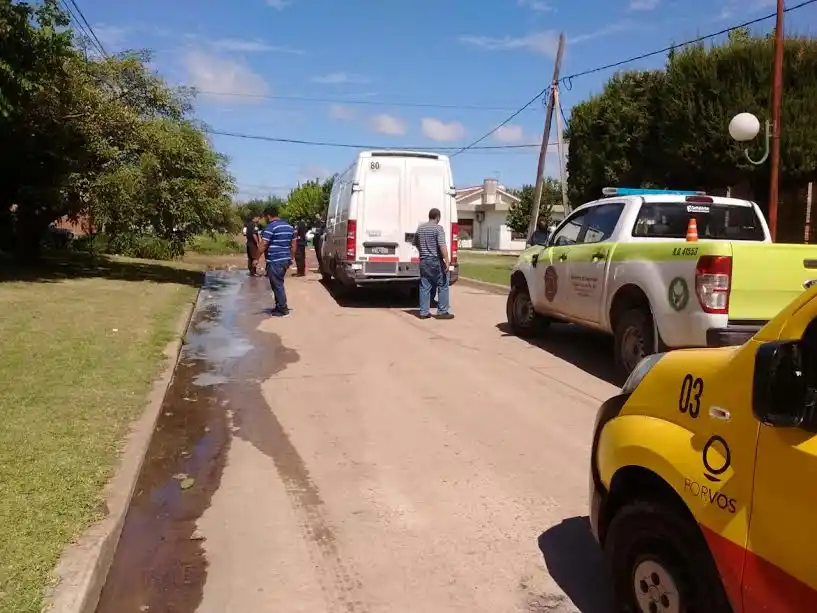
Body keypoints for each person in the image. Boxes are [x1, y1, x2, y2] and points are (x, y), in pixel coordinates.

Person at [413, 208, 454, 320]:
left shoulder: (420, 228)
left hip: (423, 260)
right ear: (438, 217)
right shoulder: (438, 229)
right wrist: (446, 258)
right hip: (435, 260)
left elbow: (415, 242)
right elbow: (442, 245)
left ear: (429, 216)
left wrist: (422, 250)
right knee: (443, 284)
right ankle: (442, 311)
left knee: (425, 285)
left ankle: (424, 312)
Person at [257, 205, 297, 316]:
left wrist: (256, 259)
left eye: (265, 217)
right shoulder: (290, 227)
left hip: (275, 260)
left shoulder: (270, 227)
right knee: (277, 283)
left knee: (277, 284)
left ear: (268, 216)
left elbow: (263, 244)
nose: (265, 219)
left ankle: (283, 309)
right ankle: (278, 306)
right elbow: (294, 245)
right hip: (284, 260)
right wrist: (290, 259)